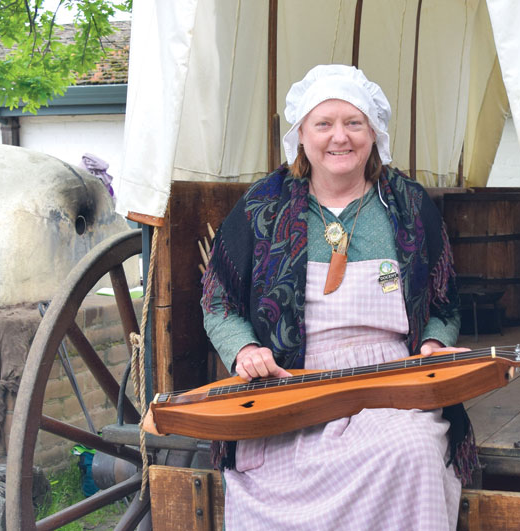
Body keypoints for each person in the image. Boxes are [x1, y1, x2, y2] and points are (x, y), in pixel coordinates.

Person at [201, 64, 475, 530]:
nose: (339, 138)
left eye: (354, 123)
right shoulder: (264, 207)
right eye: (323, 124)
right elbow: (218, 300)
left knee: (413, 452)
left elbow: (443, 301)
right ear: (302, 136)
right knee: (270, 479)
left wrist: (432, 344)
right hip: (291, 383)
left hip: (391, 383)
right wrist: (245, 351)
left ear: (373, 133)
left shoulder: (408, 205)